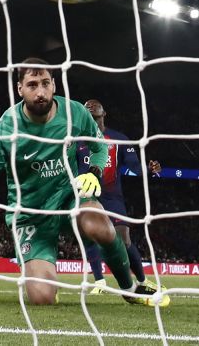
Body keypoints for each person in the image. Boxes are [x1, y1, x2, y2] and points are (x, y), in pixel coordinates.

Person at [0, 58, 169, 307]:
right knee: (42, 298)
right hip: (31, 214)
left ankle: (130, 287)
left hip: (69, 198)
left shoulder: (75, 112)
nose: (40, 92)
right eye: (31, 85)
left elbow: (99, 147)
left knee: (97, 222)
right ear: (20, 89)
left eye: (45, 83)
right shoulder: (7, 129)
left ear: (54, 84)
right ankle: (45, 279)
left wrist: (93, 172)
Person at [77, 99, 164, 294]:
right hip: (87, 196)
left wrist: (149, 170)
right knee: (89, 237)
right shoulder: (76, 141)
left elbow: (135, 166)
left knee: (124, 238)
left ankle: (142, 280)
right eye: (87, 113)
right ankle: (99, 282)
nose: (90, 112)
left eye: (95, 112)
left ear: (103, 114)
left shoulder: (118, 139)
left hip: (112, 196)